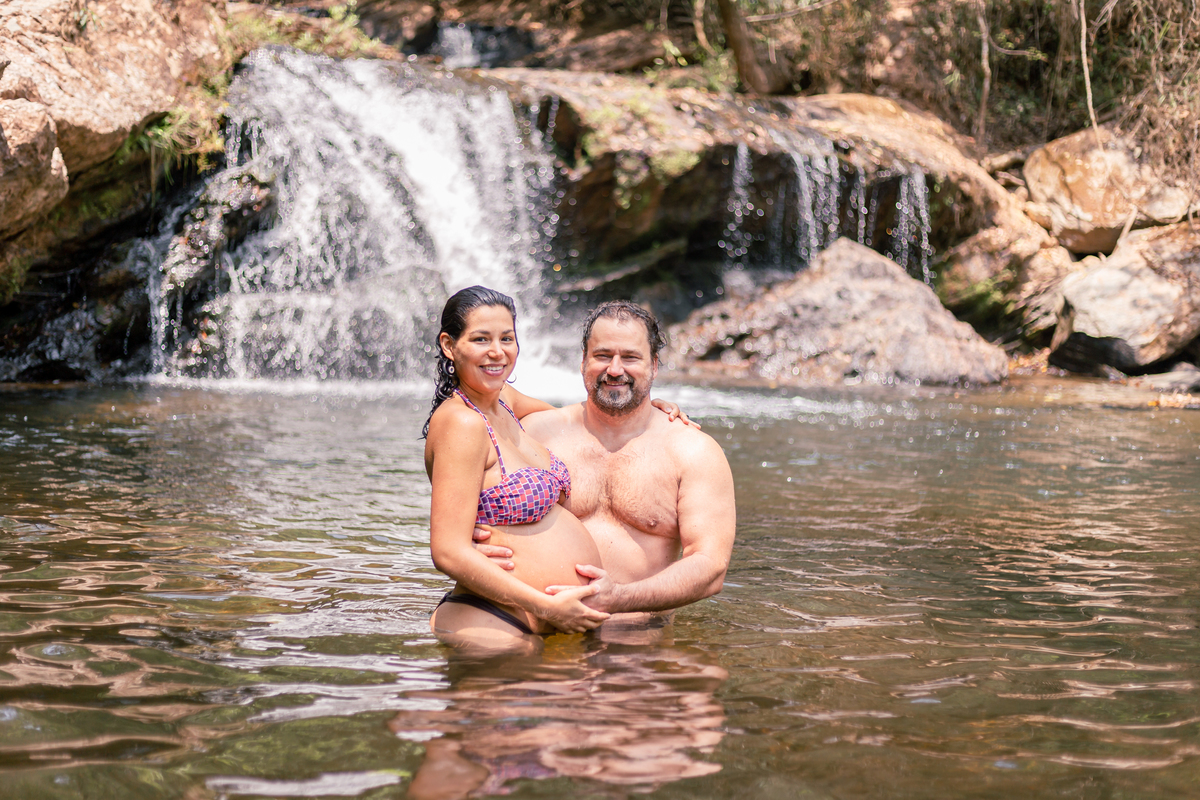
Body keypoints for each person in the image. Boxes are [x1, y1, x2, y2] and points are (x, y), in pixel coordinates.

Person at [423, 287, 695, 653]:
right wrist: (545, 605)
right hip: (497, 615)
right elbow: (448, 552)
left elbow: (579, 414)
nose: (496, 351)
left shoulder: (503, 401)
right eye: (480, 339)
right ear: (449, 345)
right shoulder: (462, 423)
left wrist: (644, 407)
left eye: (506, 338)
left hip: (546, 618)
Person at [476, 300, 736, 623]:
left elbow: (711, 567)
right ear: (583, 361)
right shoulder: (533, 434)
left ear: (654, 366)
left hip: (636, 651)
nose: (615, 370)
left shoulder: (693, 452)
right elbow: (467, 488)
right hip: (539, 632)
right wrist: (472, 547)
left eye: (630, 357)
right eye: (602, 356)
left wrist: (617, 599)